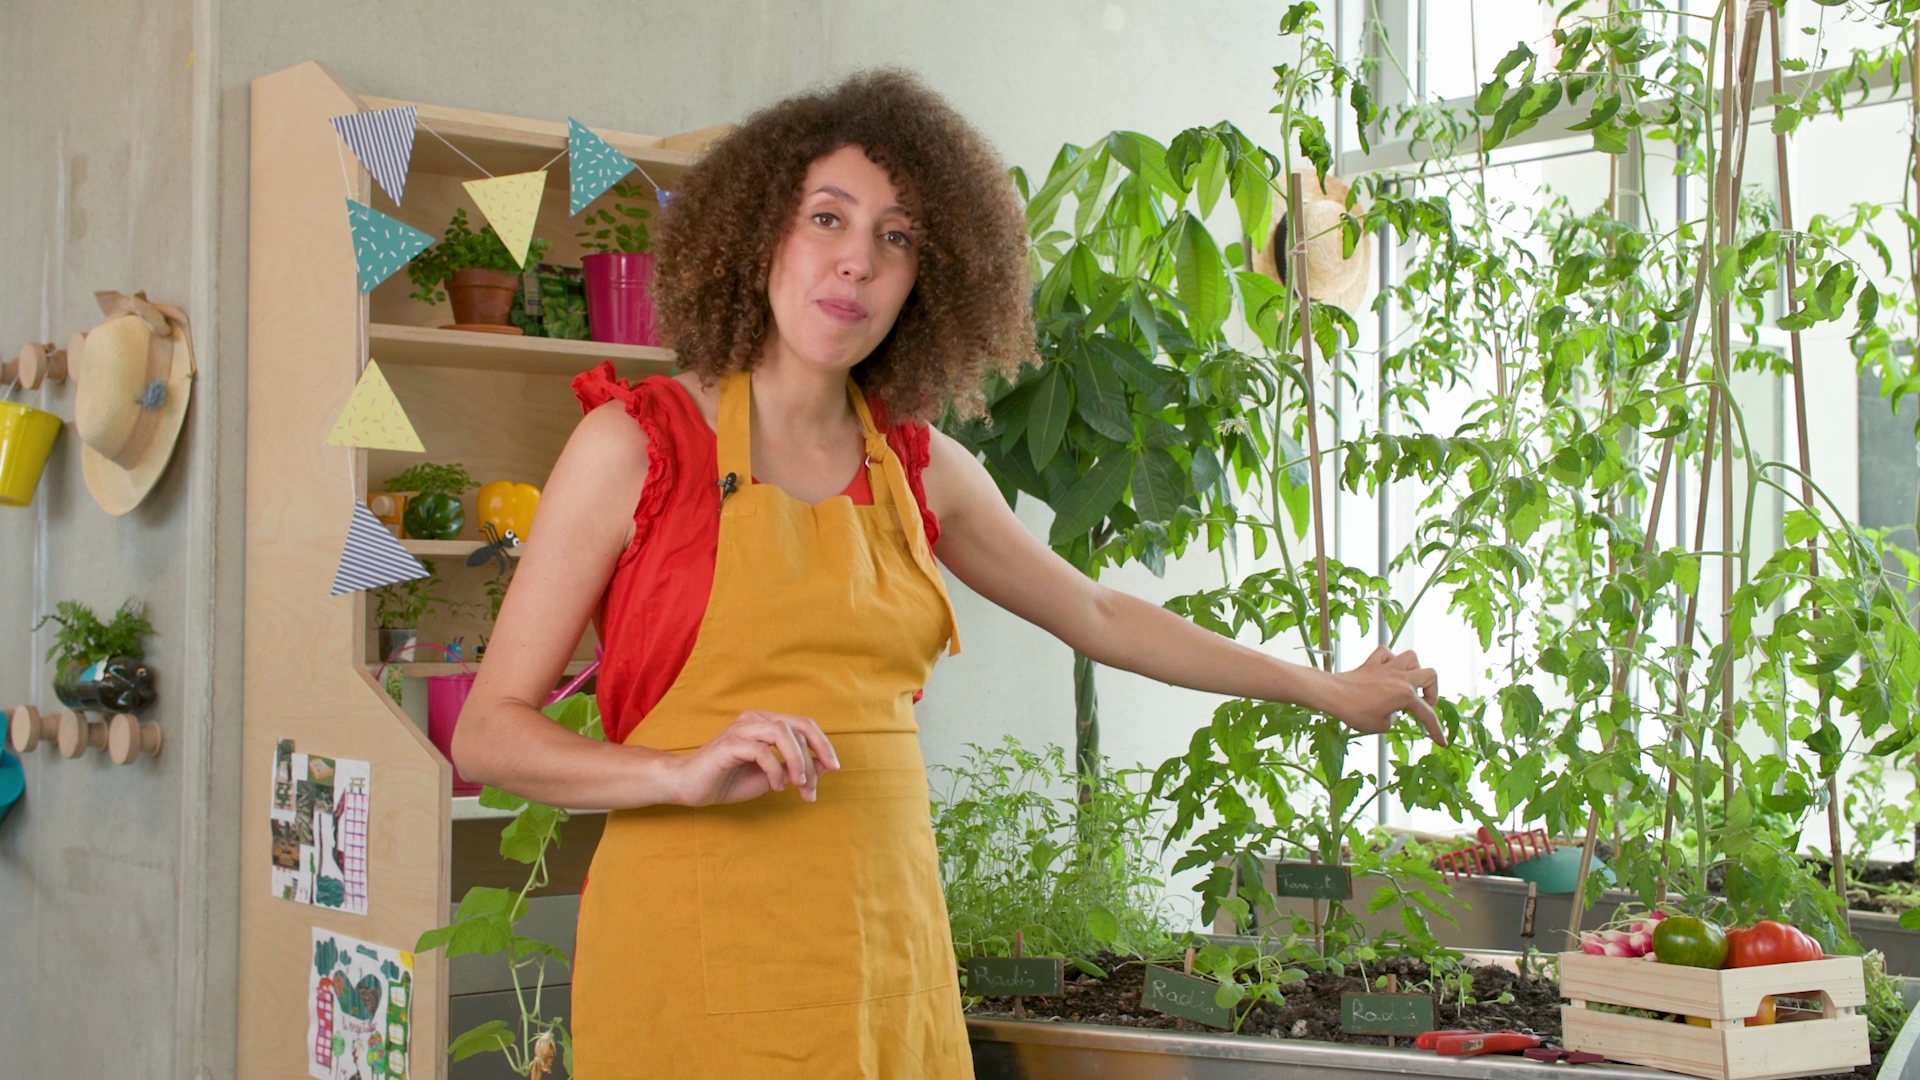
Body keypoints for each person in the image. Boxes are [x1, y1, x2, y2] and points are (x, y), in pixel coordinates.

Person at [454, 69, 1442, 1079]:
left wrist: (1327, 689)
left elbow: (1098, 612)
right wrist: (672, 770)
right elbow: (491, 731)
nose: (858, 262)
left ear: (929, 275)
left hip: (885, 953)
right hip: (696, 952)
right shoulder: (636, 447)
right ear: (757, 237)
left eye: (898, 236)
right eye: (827, 218)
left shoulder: (919, 468)